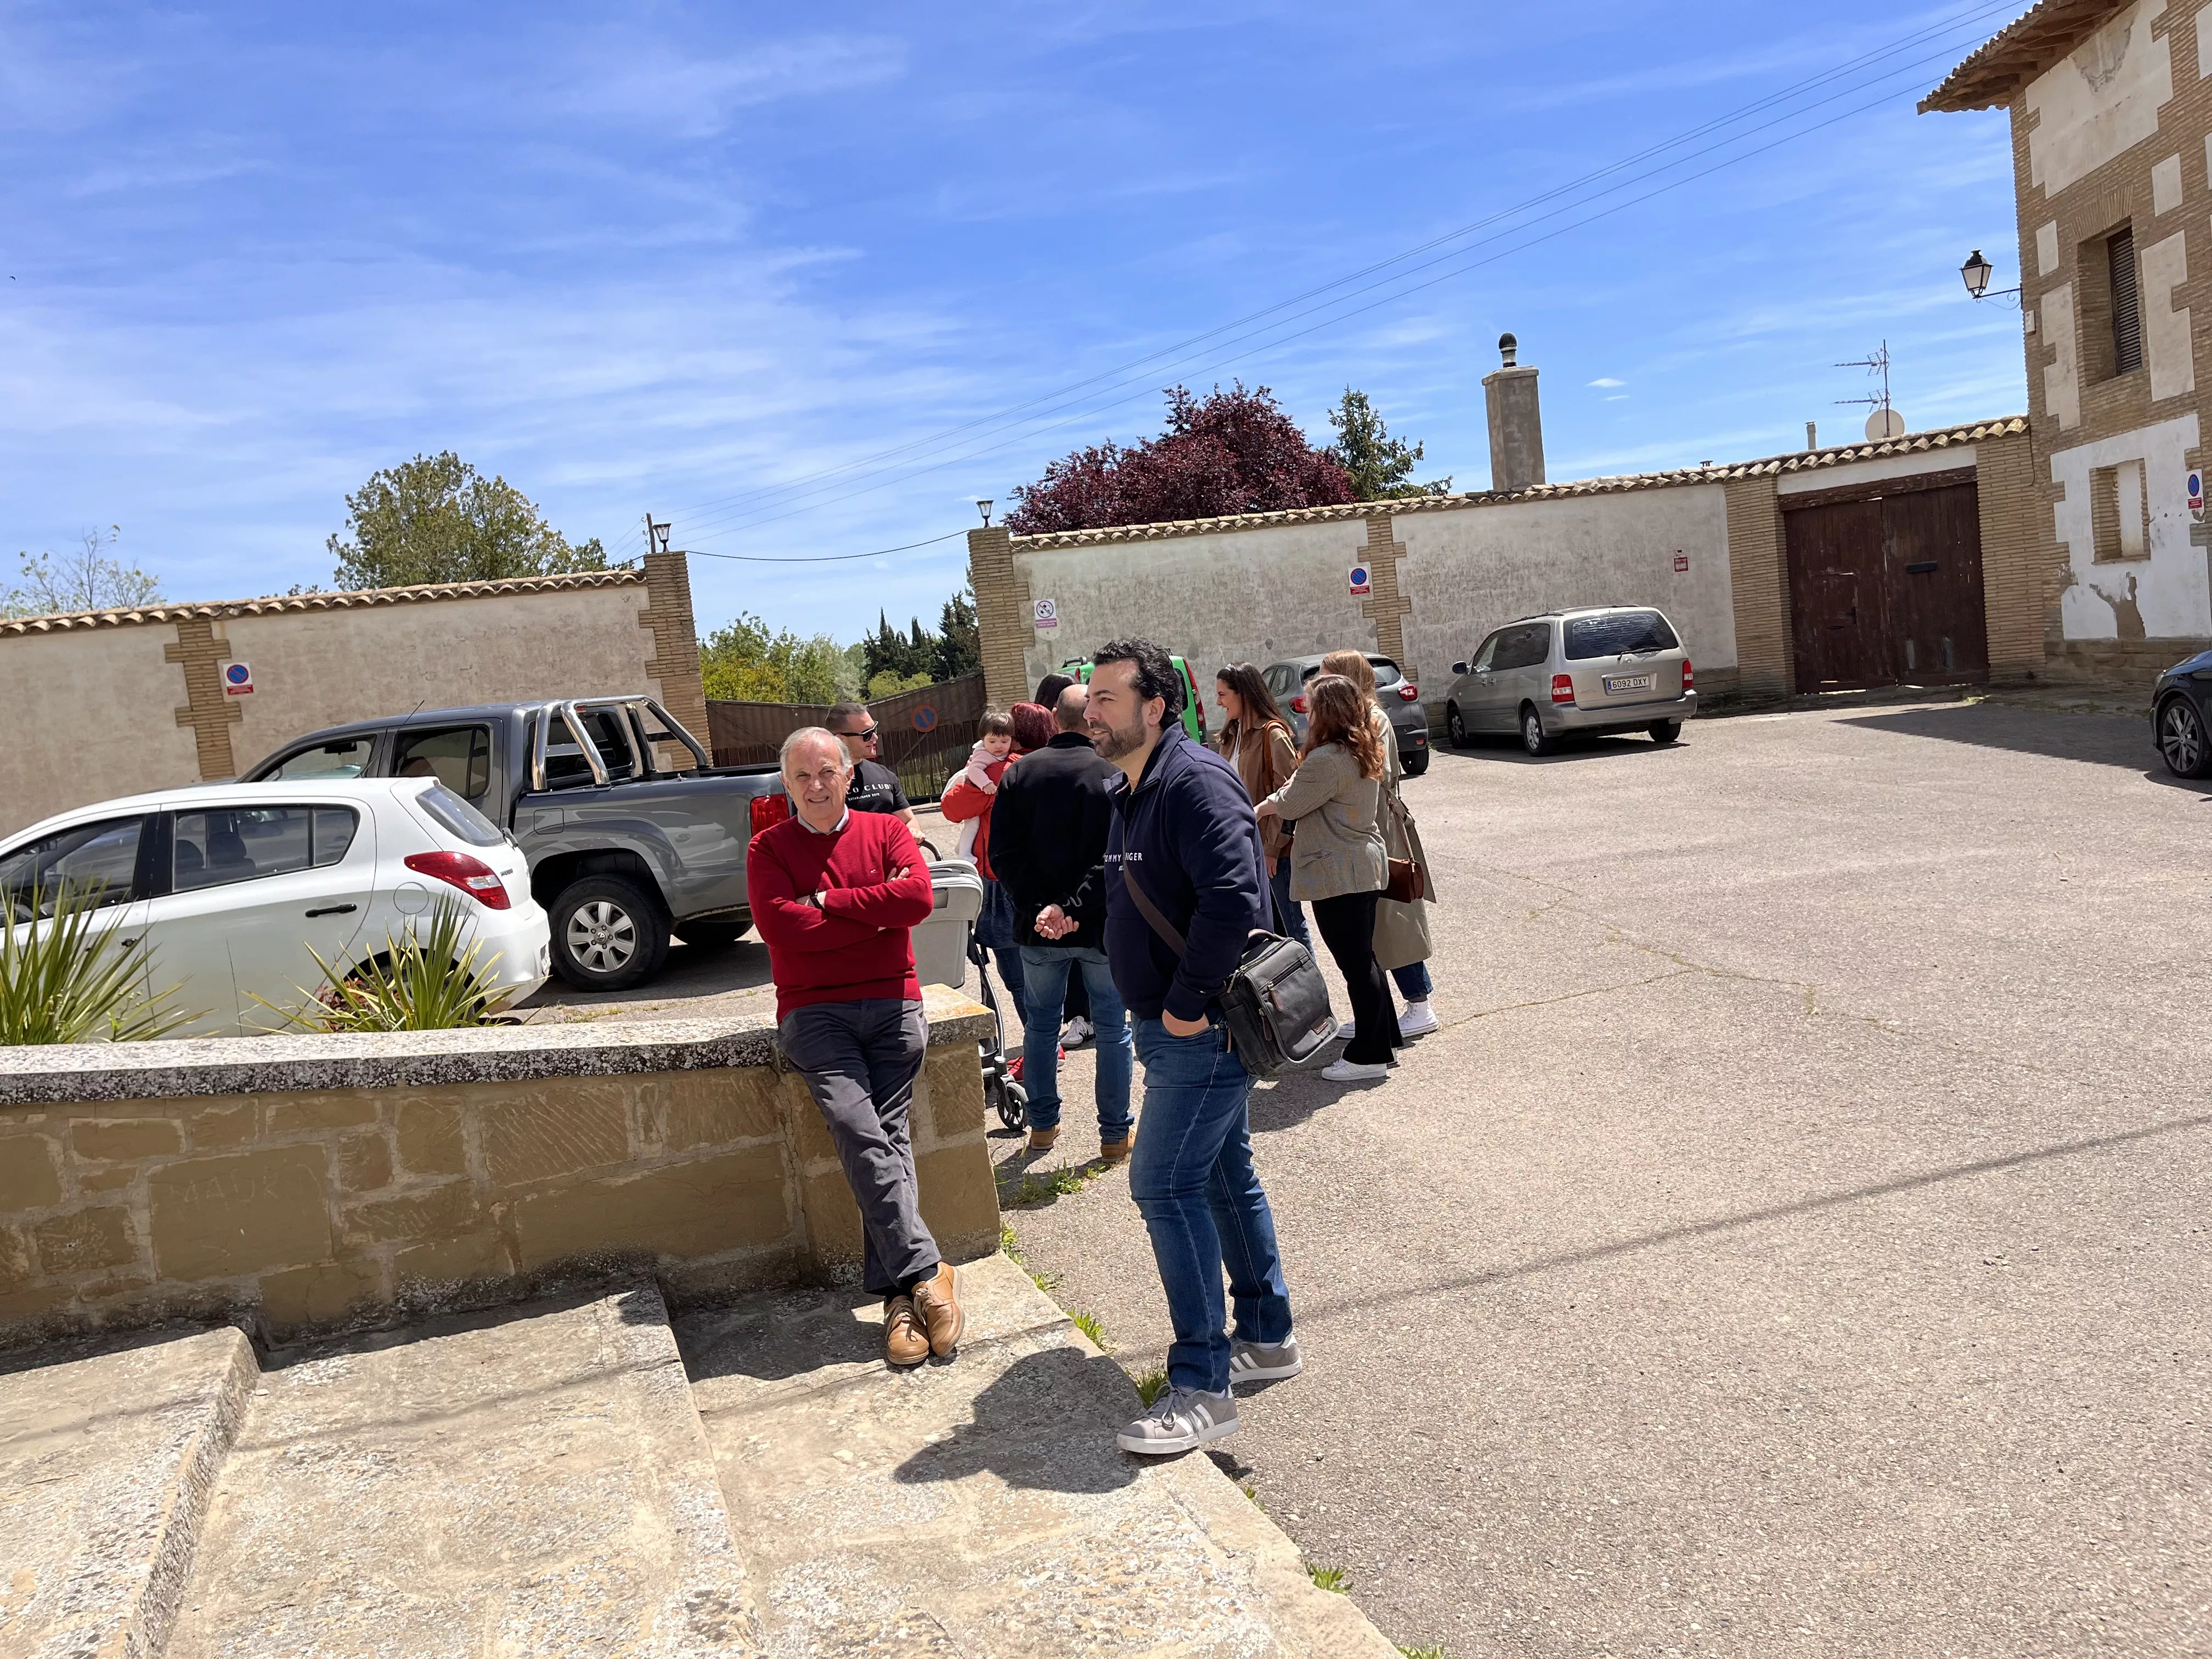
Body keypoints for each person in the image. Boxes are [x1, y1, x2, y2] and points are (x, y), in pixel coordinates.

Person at [1088, 637, 1298, 1455]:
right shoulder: (1131, 788)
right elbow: (1137, 887)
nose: (1092, 711)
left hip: (1200, 1030)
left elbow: (1235, 898)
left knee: (1163, 1184)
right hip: (1172, 1027)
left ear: (1154, 707)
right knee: (1219, 1174)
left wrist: (1181, 1006)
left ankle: (1205, 1387)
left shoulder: (1193, 781)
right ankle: (1267, 1337)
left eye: (1107, 698)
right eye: (1091, 697)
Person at [747, 727, 962, 1368]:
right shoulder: (768, 847)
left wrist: (828, 902)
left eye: (827, 773)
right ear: (787, 785)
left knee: (885, 1139)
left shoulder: (887, 830)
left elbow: (917, 899)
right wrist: (872, 917)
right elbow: (780, 926)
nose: (816, 786)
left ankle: (901, 1303)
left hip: (895, 1006)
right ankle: (926, 1272)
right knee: (858, 1128)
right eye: (802, 776)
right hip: (815, 1015)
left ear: (848, 774)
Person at [989, 682, 1134, 1160]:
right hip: (1098, 927)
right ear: (1093, 718)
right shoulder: (1112, 773)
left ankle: (1043, 1127)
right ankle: (1114, 1134)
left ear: (1054, 717)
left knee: (1040, 1026)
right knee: (1112, 1028)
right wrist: (1072, 908)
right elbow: (1116, 858)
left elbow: (1003, 855)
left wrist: (1043, 908)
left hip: (1038, 929)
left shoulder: (1019, 773)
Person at [1256, 674, 1399, 1082]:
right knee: (1365, 961)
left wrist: (1259, 809)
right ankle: (1384, 1040)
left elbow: (1291, 803)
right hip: (1361, 866)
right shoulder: (1361, 749)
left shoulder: (1327, 759)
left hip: (1339, 872)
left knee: (1357, 967)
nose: (1305, 713)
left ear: (1327, 712)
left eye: (1310, 706)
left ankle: (1369, 1056)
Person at [1319, 650, 1438, 1039]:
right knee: (1370, 927)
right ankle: (1378, 1011)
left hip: (1379, 828)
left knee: (1393, 919)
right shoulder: (1362, 716)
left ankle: (1419, 1003)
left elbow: (1377, 772)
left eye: (1328, 675)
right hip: (1368, 827)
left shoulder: (1374, 718)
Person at [941, 702, 1054, 1027]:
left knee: (1016, 973)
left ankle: (1041, 1038)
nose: (1002, 743)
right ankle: (1051, 1035)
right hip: (1032, 877)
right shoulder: (1033, 767)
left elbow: (952, 809)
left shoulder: (995, 769)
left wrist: (984, 783)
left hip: (998, 878)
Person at [1212, 664, 1310, 950]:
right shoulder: (1231, 735)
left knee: (1290, 925)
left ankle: (1306, 976)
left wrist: (1272, 849)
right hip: (1240, 847)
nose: (1218, 702)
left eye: (1223, 694)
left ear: (1243, 694)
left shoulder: (1273, 734)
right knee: (1260, 928)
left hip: (1270, 850)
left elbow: (1290, 795)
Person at [825, 703, 913, 822]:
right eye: (867, 734)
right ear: (841, 739)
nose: (875, 737)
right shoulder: (822, 782)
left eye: (875, 729)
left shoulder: (884, 774)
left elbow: (909, 821)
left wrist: (913, 830)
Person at [950, 710, 1017, 861]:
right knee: (973, 823)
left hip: (974, 794)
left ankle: (962, 847)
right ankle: (964, 854)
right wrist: (986, 784)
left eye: (1004, 741)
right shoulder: (984, 754)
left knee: (972, 824)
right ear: (983, 739)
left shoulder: (998, 753)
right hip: (970, 791)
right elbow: (974, 770)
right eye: (992, 742)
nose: (998, 746)